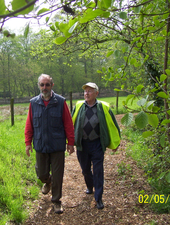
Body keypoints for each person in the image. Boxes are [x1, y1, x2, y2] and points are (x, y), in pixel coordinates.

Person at [25, 74, 75, 214]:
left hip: (57, 145)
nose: (44, 87)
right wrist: (28, 142)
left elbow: (68, 123)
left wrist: (70, 142)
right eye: (42, 85)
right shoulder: (34, 103)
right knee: (41, 173)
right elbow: (29, 124)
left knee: (58, 175)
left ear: (52, 85)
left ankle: (57, 201)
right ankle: (47, 181)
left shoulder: (60, 101)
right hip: (40, 145)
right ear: (39, 86)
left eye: (47, 84)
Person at [71, 82, 121, 209]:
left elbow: (113, 125)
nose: (86, 93)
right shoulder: (78, 106)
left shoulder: (103, 107)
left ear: (96, 93)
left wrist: (116, 142)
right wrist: (70, 141)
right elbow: (71, 123)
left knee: (98, 171)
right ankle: (89, 186)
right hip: (83, 145)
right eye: (85, 91)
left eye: (90, 91)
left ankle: (98, 198)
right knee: (85, 170)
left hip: (97, 144)